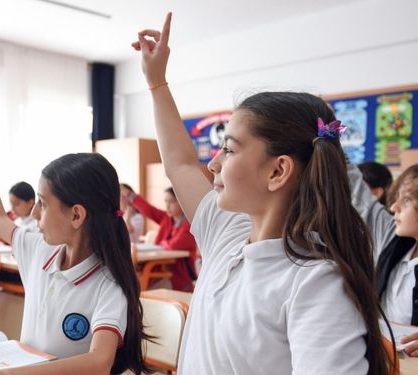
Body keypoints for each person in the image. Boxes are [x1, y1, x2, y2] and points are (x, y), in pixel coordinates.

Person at [131, 13, 391, 374]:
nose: (214, 165)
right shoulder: (227, 231)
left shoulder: (315, 283)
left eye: (230, 149)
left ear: (277, 171)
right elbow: (181, 164)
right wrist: (156, 83)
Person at [0, 105, 150, 374]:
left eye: (42, 203)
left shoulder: (108, 283)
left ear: (76, 215)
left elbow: (99, 362)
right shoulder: (39, 250)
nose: (33, 213)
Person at [351, 163, 418, 356]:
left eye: (406, 200)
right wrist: (327, 131)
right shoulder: (393, 240)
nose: (393, 207)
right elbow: (353, 183)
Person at [121, 185, 197, 291]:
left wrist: (162, 243)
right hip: (160, 273)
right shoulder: (167, 218)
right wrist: (129, 195)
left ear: (182, 202)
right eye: (166, 201)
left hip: (179, 278)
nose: (168, 206)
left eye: (172, 202)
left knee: (140, 286)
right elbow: (149, 210)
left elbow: (174, 245)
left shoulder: (189, 224)